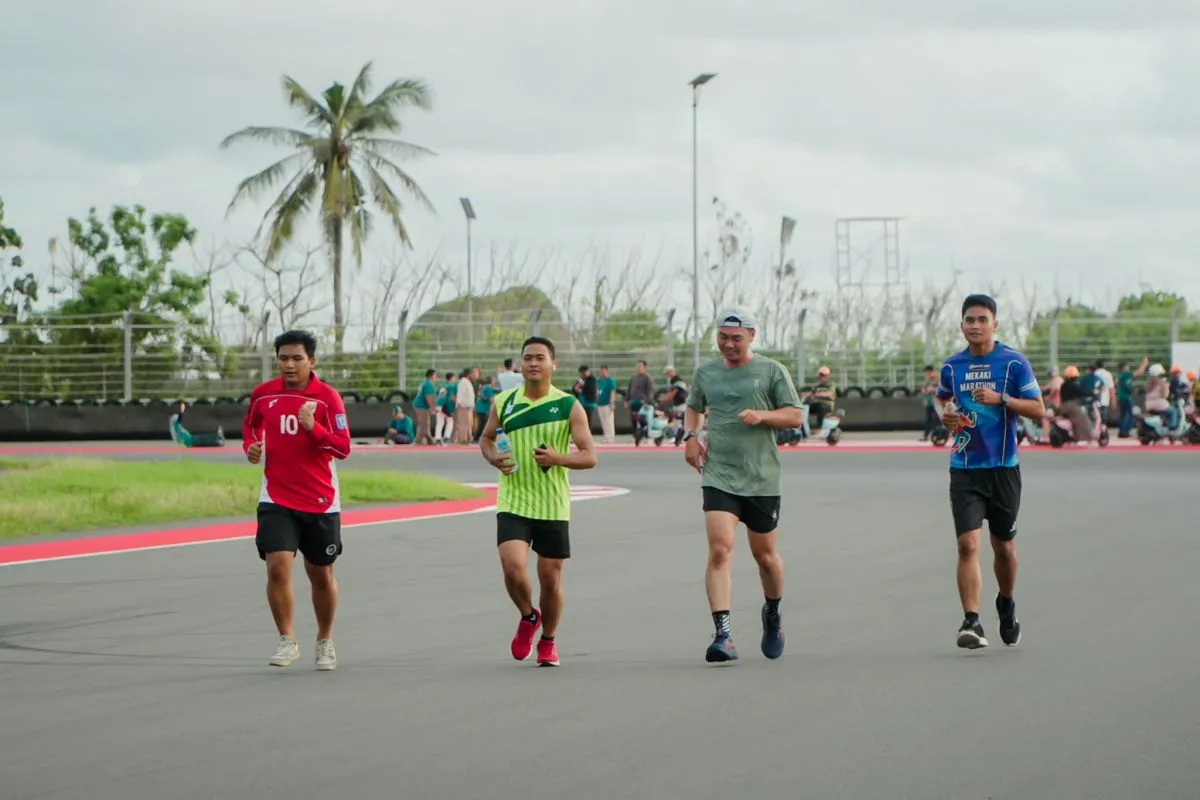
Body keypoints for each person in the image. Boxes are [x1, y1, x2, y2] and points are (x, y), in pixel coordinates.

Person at [682, 307, 804, 664]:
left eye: (736, 338)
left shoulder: (771, 371)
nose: (729, 344)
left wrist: (762, 415)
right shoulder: (706, 373)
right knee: (720, 550)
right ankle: (723, 635)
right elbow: (694, 408)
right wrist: (691, 435)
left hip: (762, 477)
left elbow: (795, 415)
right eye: (723, 337)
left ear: (752, 335)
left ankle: (773, 613)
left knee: (765, 557)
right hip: (719, 473)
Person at [479, 336, 598, 668]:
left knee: (550, 578)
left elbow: (590, 457)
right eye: (527, 357)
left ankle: (548, 640)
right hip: (514, 499)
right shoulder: (504, 402)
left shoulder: (568, 405)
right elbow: (486, 437)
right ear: (520, 364)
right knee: (513, 567)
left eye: (540, 358)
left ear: (552, 364)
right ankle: (528, 615)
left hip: (552, 503)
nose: (533, 363)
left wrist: (558, 458)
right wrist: (492, 457)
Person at [934, 295, 1044, 650]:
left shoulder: (1013, 363)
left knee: (1005, 547)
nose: (975, 325)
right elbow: (943, 398)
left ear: (994, 324)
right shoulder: (953, 367)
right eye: (969, 319)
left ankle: (1006, 603)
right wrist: (946, 415)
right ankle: (972, 621)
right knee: (968, 544)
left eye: (983, 319)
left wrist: (1002, 400)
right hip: (965, 468)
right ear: (962, 325)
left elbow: (1039, 411)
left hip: (1003, 469)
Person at [242, 330, 352, 671]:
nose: (289, 365)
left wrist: (312, 429)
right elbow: (250, 427)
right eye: (284, 358)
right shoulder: (263, 395)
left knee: (321, 575)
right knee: (277, 567)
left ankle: (325, 640)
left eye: (297, 358)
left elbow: (342, 448)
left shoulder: (327, 398)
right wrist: (251, 446)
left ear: (312, 361)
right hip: (276, 497)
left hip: (320, 500)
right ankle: (287, 639)